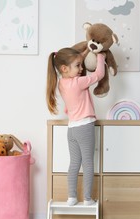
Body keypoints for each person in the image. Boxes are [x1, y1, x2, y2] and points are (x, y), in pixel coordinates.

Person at [46, 48, 106, 206]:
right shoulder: (78, 82)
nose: (81, 68)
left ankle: (71, 197)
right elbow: (99, 74)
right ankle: (87, 198)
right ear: (65, 68)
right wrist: (101, 56)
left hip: (71, 129)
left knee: (74, 164)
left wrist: (86, 51)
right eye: (78, 66)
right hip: (85, 127)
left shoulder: (61, 83)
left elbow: (71, 103)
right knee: (87, 163)